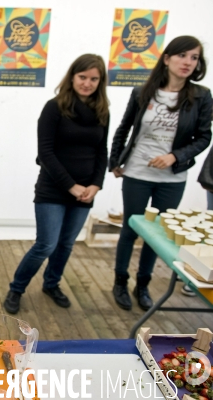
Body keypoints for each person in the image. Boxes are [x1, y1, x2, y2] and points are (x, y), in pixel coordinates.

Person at [109, 35, 212, 311]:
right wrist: (115, 160)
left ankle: (143, 285)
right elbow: (124, 128)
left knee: (157, 235)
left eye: (194, 57)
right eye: (182, 55)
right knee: (131, 228)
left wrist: (174, 157)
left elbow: (204, 137)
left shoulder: (201, 96)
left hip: (173, 178)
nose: (188, 62)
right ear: (167, 58)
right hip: (138, 173)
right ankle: (120, 282)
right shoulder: (142, 91)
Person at [3, 54, 109, 314]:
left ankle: (52, 284)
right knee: (46, 245)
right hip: (53, 189)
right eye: (82, 77)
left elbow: (102, 152)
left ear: (100, 81)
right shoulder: (55, 107)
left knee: (66, 244)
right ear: (72, 76)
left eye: (94, 79)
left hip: (85, 193)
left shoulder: (101, 111)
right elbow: (46, 152)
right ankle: (16, 288)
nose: (87, 83)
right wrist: (71, 186)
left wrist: (96, 185)